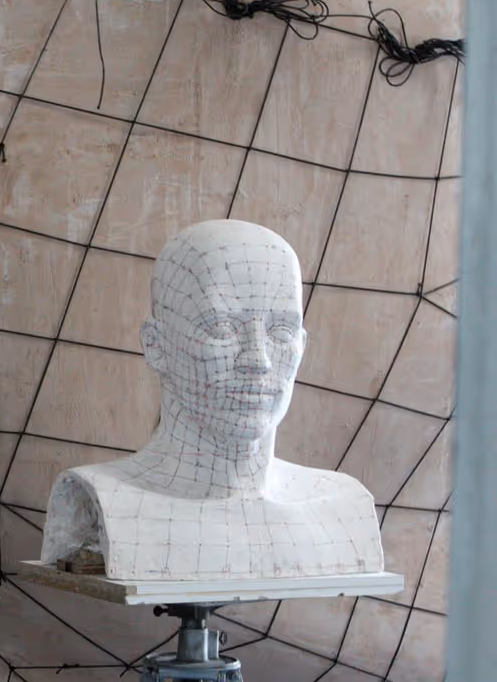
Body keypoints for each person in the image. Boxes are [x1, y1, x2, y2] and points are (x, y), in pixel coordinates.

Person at [40, 219, 383, 581]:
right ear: (156, 346)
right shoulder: (108, 501)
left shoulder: (342, 508)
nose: (258, 360)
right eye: (222, 328)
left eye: (281, 332)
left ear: (302, 345)